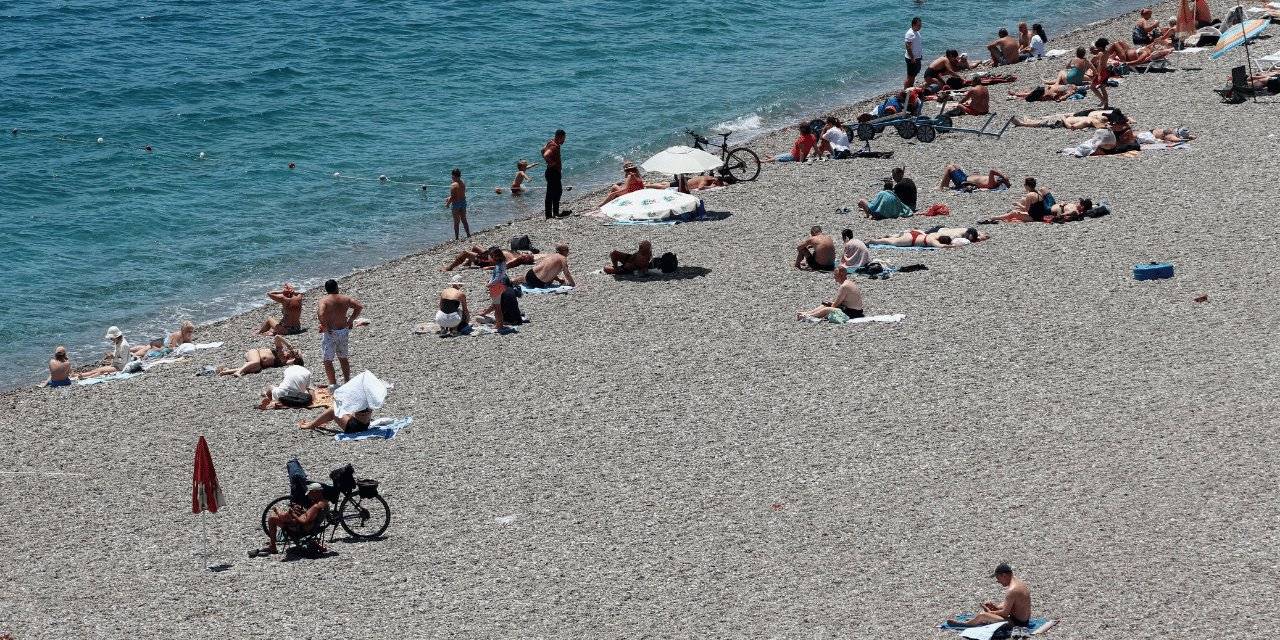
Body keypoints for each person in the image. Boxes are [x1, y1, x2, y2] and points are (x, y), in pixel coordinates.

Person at [947, 563, 1033, 628]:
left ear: (1004, 575)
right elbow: (1014, 606)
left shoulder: (1011, 590)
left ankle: (964, 624)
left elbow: (1005, 613)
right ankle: (977, 619)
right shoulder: (1020, 584)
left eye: (998, 578)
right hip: (1024, 620)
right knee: (993, 611)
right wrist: (996, 607)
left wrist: (989, 612)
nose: (998, 581)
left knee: (982, 615)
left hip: (1017, 623)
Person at [254, 482, 329, 556]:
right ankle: (272, 545)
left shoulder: (316, 507)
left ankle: (272, 546)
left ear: (316, 492)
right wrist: (302, 512)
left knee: (275, 518)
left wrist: (293, 514)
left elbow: (304, 521)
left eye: (310, 493)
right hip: (307, 527)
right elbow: (310, 516)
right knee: (276, 517)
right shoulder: (323, 503)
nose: (309, 495)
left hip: (300, 529)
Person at [316, 279, 363, 386]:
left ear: (326, 289)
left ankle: (333, 384)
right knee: (343, 358)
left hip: (330, 332)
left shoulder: (324, 301)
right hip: (343, 331)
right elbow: (359, 307)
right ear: (337, 287)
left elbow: (321, 313)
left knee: (328, 360)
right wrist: (350, 320)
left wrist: (324, 325)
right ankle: (347, 381)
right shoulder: (345, 299)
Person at [796, 267, 864, 321]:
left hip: (853, 312)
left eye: (835, 275)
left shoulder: (844, 286)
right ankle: (808, 313)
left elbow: (835, 305)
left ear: (841, 275)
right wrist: (829, 303)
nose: (834, 277)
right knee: (825, 305)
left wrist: (831, 304)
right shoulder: (849, 283)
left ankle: (809, 316)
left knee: (827, 309)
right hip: (856, 310)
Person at [218, 335, 303, 377]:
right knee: (255, 362)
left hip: (260, 365)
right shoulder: (280, 349)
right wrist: (289, 345)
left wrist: (298, 353)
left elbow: (298, 362)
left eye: (294, 354)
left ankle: (227, 371)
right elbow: (277, 337)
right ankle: (238, 372)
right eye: (292, 352)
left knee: (255, 368)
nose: (291, 353)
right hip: (255, 353)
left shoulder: (285, 361)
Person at [979, 177, 1056, 223]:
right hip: (1040, 215)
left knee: (1013, 213)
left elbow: (1026, 209)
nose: (1024, 186)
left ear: (1027, 186)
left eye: (1024, 185)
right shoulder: (1038, 192)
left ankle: (994, 217)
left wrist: (1018, 204)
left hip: (1035, 217)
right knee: (1017, 210)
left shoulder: (1030, 195)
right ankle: (997, 217)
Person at [600, 163, 666, 207]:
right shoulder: (637, 174)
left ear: (626, 170)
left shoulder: (630, 176)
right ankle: (612, 199)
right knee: (617, 187)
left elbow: (625, 189)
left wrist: (613, 193)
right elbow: (640, 185)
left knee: (614, 187)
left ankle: (604, 204)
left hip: (631, 194)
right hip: (639, 192)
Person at [441, 245, 535, 271]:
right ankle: (469, 262)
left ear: (525, 260)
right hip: (491, 254)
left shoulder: (515, 260)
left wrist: (490, 267)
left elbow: (504, 266)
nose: (526, 253)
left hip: (488, 260)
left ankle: (449, 268)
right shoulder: (518, 254)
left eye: (527, 256)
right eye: (527, 253)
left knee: (465, 253)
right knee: (475, 247)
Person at [869, 226, 984, 248]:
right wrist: (952, 247)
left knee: (894, 238)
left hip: (918, 233)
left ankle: (889, 235)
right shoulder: (932, 240)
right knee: (892, 242)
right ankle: (874, 241)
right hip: (912, 240)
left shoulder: (936, 235)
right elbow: (941, 246)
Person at [298, 404, 375, 432]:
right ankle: (318, 422)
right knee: (340, 408)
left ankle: (311, 425)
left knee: (333, 410)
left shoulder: (359, 398)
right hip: (364, 425)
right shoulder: (368, 398)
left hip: (355, 427)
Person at [1013, 109, 1113, 130]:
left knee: (1042, 123)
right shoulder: (1091, 119)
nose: (1097, 116)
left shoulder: (1087, 121)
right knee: (1044, 121)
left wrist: (1064, 119)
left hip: (1062, 122)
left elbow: (1071, 127)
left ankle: (1022, 124)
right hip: (1063, 119)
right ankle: (1029, 121)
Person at [543, 129, 565, 219]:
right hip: (553, 172)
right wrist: (551, 163)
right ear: (559, 137)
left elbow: (542, 150)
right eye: (563, 138)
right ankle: (555, 213)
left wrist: (549, 162)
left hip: (550, 172)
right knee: (557, 192)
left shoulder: (550, 142)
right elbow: (546, 155)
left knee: (550, 193)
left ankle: (549, 215)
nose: (564, 140)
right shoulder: (554, 146)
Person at [938, 164, 1010, 191]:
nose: (997, 177)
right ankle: (945, 185)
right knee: (955, 165)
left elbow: (992, 171)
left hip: (963, 181)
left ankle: (942, 187)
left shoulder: (992, 183)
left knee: (949, 167)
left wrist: (1003, 176)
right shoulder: (993, 181)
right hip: (966, 177)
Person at [444, 168, 470, 240]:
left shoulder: (453, 185)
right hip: (463, 202)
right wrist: (449, 197)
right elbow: (460, 194)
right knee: (464, 219)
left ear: (453, 176)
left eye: (452, 176)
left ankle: (457, 238)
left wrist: (447, 204)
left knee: (456, 222)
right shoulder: (462, 182)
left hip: (456, 204)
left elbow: (453, 197)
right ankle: (468, 234)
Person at [1089, 40, 1111, 109]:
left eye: (1097, 47)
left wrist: (1098, 74)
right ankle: (1106, 105)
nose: (1097, 48)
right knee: (1102, 88)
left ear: (1100, 47)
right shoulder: (1107, 52)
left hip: (1101, 72)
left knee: (1092, 87)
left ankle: (1103, 100)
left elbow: (1099, 64)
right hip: (1106, 71)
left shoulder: (1100, 53)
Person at [905, 17, 924, 88]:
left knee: (914, 74)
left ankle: (910, 88)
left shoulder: (916, 32)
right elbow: (908, 47)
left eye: (920, 25)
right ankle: (906, 90)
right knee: (910, 76)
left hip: (917, 57)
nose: (920, 27)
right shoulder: (910, 34)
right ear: (913, 25)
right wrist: (912, 58)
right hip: (912, 59)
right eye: (918, 25)